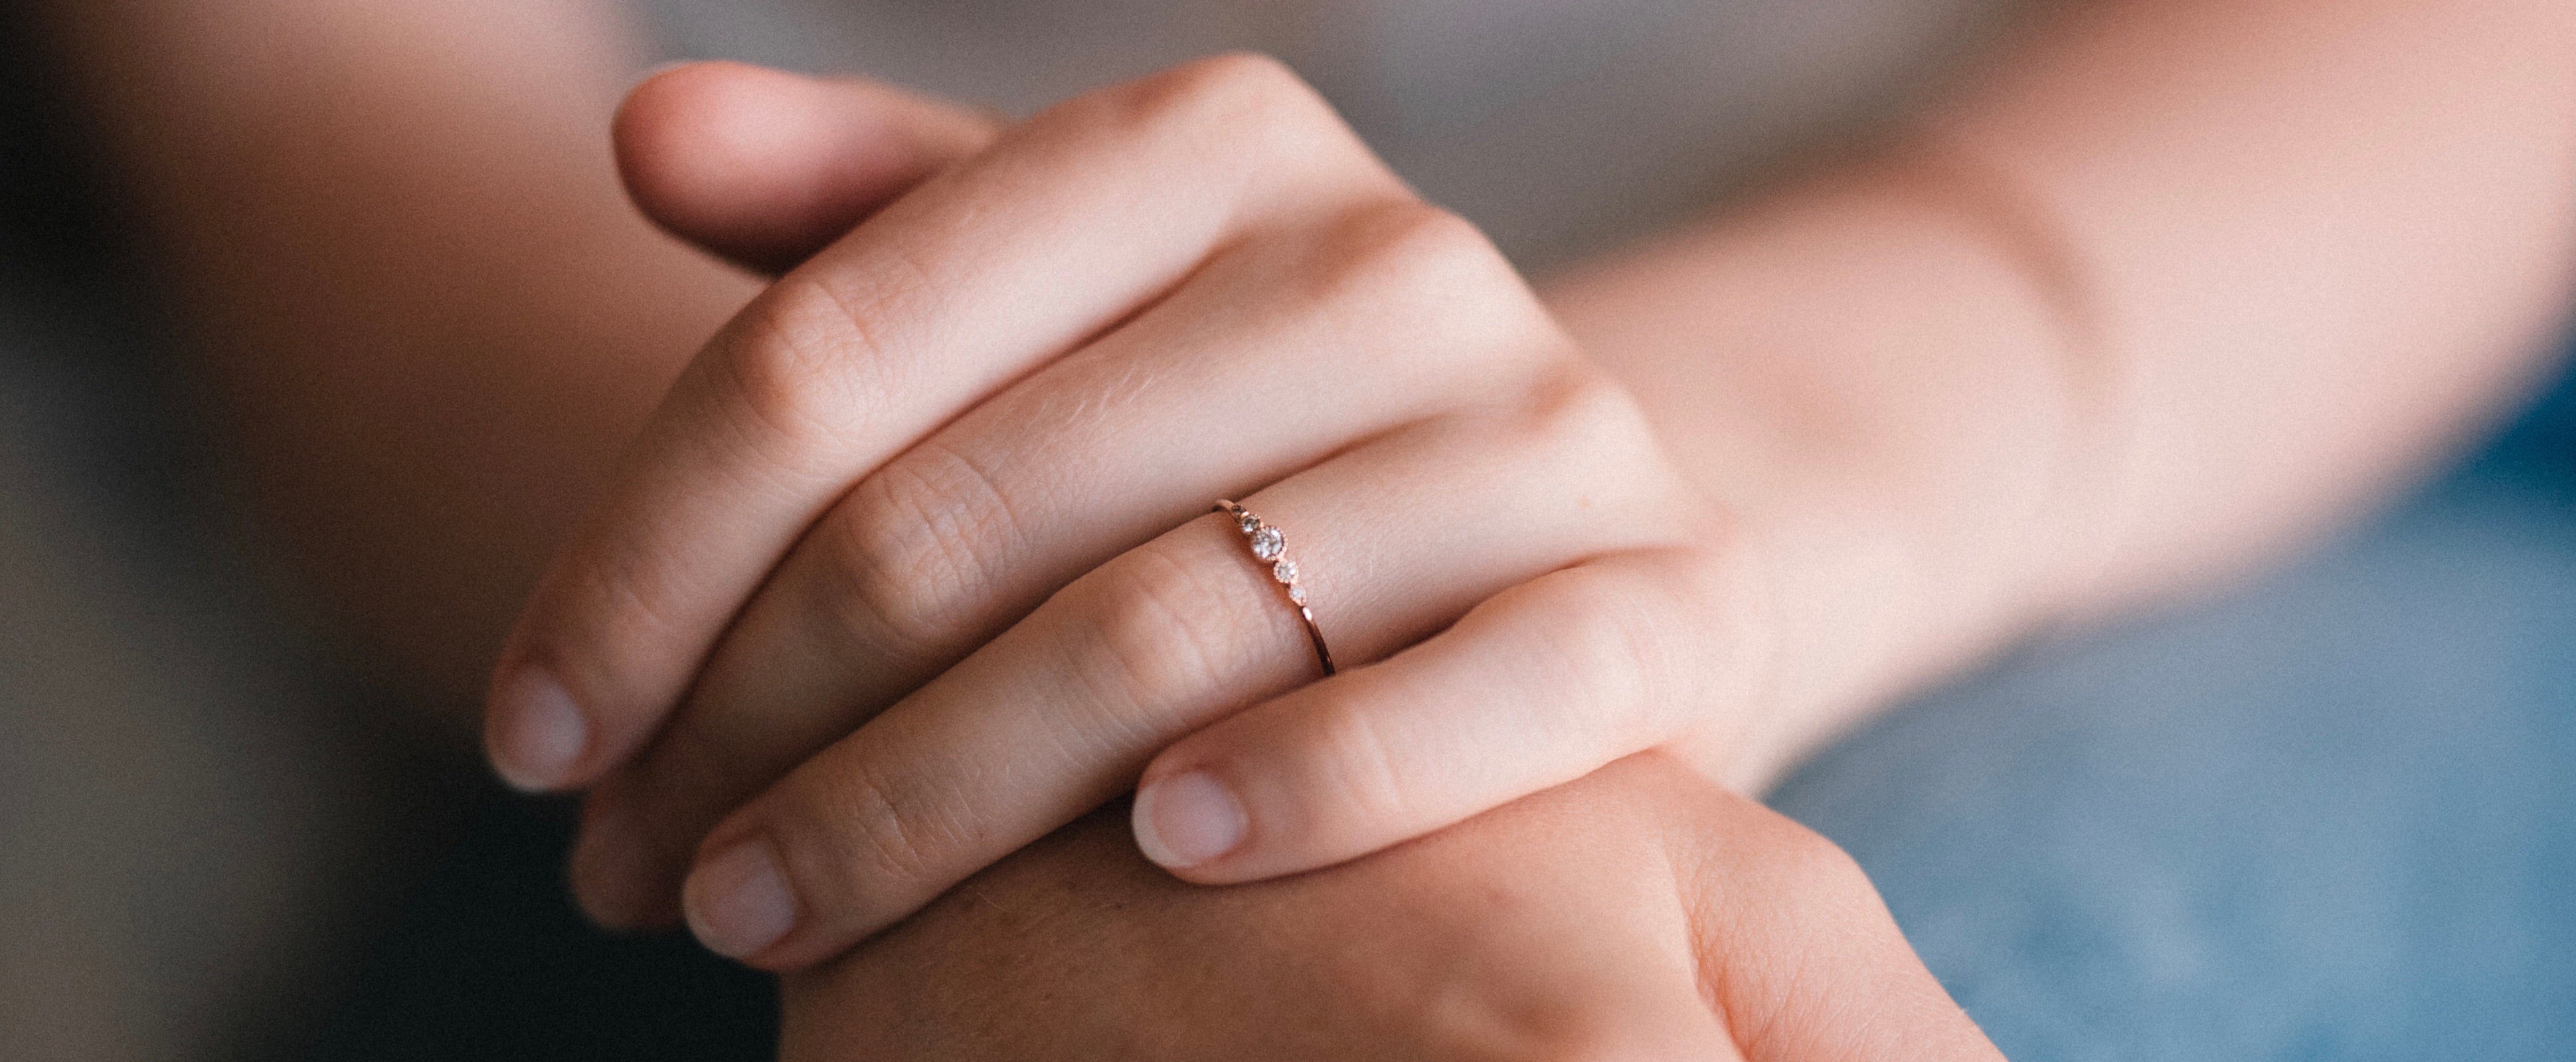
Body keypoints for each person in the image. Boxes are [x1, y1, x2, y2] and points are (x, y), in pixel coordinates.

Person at [19, 0, 2576, 1057]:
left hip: (2182, 335)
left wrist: (1672, 515)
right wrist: (973, 676)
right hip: (654, 474)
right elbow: (311, 118)